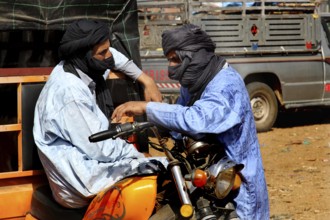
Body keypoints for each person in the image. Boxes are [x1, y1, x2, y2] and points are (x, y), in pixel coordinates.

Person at [112, 24, 270, 219]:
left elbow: (197, 119)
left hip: (234, 180)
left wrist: (147, 108)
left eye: (175, 60)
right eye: (168, 60)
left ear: (194, 56)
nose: (171, 67)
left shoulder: (226, 83)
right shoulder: (195, 82)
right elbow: (180, 121)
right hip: (206, 175)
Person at [33, 19, 168, 209]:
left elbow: (113, 57)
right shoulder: (70, 92)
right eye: (102, 53)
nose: (109, 57)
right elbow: (100, 148)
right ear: (84, 56)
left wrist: (146, 79)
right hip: (80, 180)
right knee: (163, 168)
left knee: (165, 167)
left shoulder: (82, 67)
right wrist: (137, 154)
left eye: (108, 49)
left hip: (93, 162)